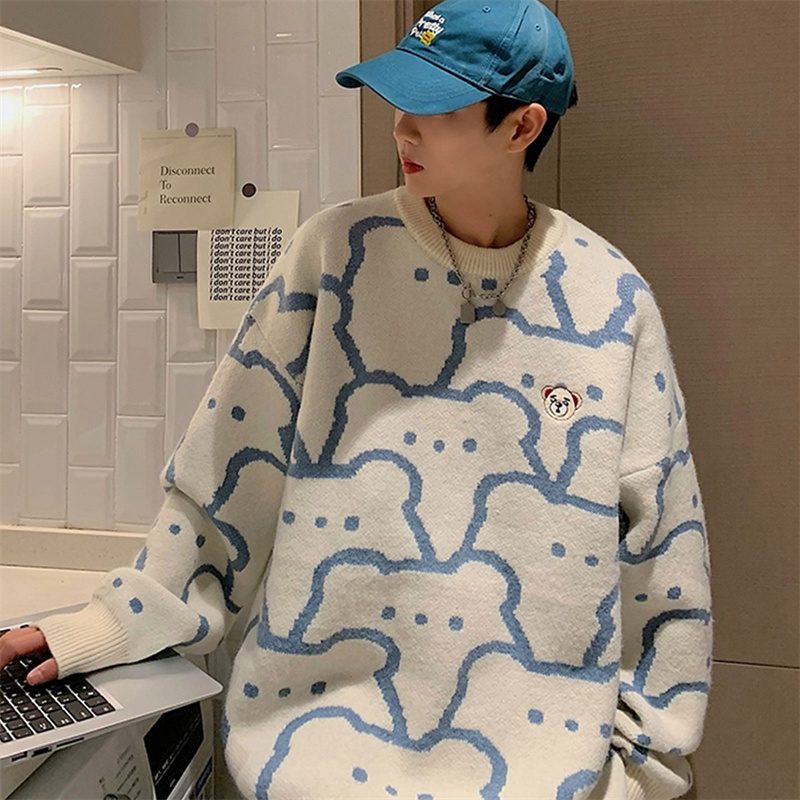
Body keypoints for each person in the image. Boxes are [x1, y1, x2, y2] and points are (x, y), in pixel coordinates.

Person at [0, 1, 713, 798]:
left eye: (435, 109)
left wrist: (644, 769)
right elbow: (226, 475)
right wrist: (112, 623)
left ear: (521, 127)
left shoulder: (610, 298)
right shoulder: (333, 255)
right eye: (398, 101)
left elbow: (665, 556)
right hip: (313, 763)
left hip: (545, 775)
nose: (402, 128)